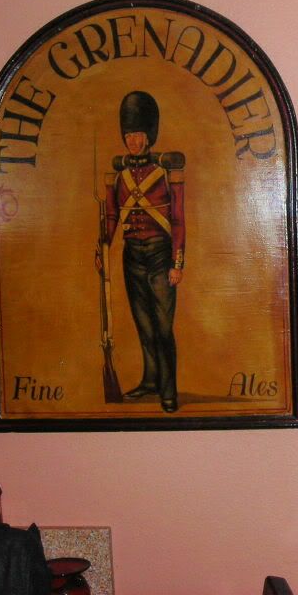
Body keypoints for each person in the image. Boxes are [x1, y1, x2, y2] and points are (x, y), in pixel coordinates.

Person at [96, 91, 186, 413]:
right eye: (129, 135)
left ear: (149, 136)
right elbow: (111, 216)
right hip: (131, 256)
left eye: (138, 135)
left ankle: (168, 390)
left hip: (160, 256)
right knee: (144, 325)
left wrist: (177, 262)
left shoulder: (166, 171)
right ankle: (150, 381)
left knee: (163, 328)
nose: (133, 141)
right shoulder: (118, 175)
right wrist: (104, 245)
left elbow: (177, 219)